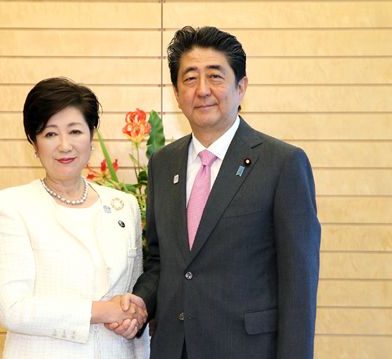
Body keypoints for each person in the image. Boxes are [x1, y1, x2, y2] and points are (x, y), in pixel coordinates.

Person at [109, 26, 321, 359]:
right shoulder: (163, 163)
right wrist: (141, 302)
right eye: (190, 78)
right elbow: (161, 261)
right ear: (177, 94)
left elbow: (299, 284)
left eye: (216, 76)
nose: (203, 90)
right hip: (172, 349)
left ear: (241, 87)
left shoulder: (282, 163)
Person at [0, 77, 149, 358]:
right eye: (50, 134)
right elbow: (13, 309)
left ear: (91, 135)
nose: (64, 145)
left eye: (75, 131)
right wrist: (100, 311)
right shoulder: (12, 206)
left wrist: (134, 318)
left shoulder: (124, 205)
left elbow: (132, 296)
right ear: (34, 144)